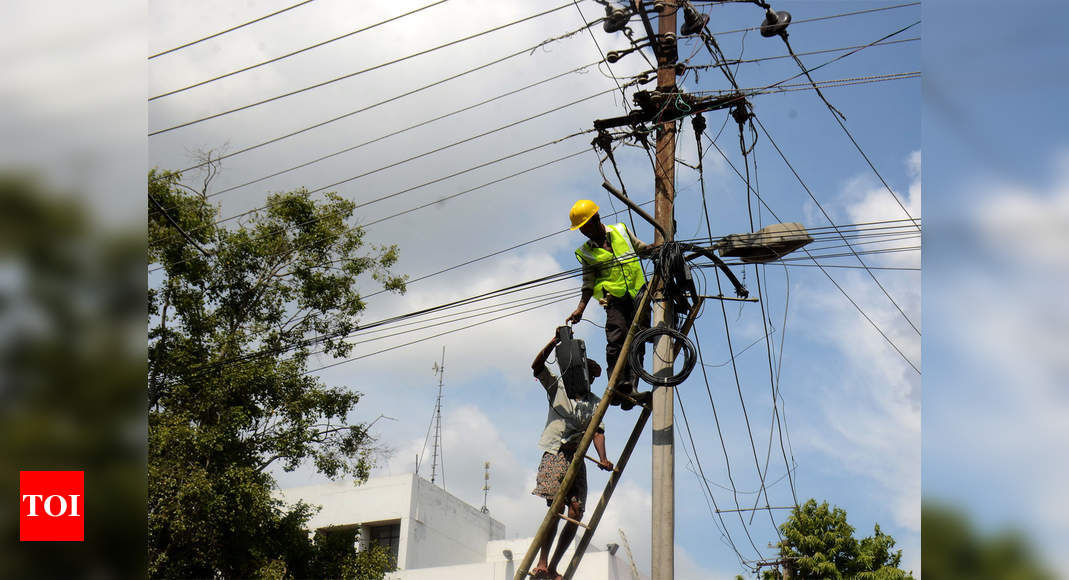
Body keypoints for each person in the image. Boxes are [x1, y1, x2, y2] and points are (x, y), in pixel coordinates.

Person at [529, 334, 613, 580]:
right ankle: (542, 563)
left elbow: (597, 431)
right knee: (555, 509)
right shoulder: (558, 388)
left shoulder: (595, 403)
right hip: (556, 454)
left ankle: (554, 566)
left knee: (576, 513)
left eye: (595, 375)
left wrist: (604, 458)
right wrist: (552, 343)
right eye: (589, 372)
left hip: (577, 458)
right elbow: (536, 366)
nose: (592, 378)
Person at [565, 200, 655, 410]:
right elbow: (588, 284)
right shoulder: (586, 252)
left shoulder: (620, 230)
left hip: (638, 293)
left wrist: (658, 248)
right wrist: (580, 309)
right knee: (616, 340)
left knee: (638, 341)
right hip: (614, 299)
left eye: (585, 226)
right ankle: (616, 386)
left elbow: (641, 249)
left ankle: (631, 388)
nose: (584, 232)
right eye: (580, 229)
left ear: (596, 219)